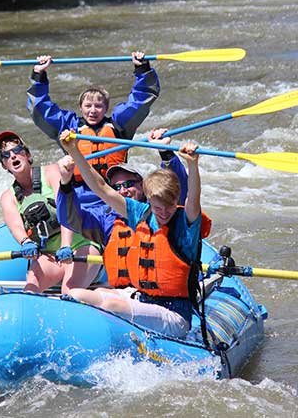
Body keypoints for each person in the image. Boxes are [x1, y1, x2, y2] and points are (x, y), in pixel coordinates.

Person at [57, 128, 209, 338]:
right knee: (75, 294)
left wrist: (193, 164)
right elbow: (101, 187)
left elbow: (193, 198)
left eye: (169, 206)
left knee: (109, 303)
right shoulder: (141, 213)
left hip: (174, 315)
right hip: (142, 299)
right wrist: (73, 150)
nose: (163, 212)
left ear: (176, 201)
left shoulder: (186, 222)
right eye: (158, 207)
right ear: (149, 201)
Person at [26, 51, 160, 198]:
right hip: (82, 195)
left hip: (115, 192)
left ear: (106, 108)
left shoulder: (119, 125)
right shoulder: (70, 127)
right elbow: (41, 110)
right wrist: (39, 75)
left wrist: (142, 69)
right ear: (80, 107)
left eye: (98, 106)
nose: (93, 111)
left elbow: (140, 101)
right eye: (88, 106)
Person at [0, 130, 102, 294]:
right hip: (49, 254)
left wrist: (65, 245)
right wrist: (26, 242)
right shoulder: (7, 197)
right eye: (6, 155)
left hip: (80, 245)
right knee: (30, 290)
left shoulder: (52, 172)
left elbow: (66, 208)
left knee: (69, 291)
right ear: (4, 165)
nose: (13, 156)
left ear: (28, 155)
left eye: (17, 151)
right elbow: (16, 226)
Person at [57, 127, 190, 250]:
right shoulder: (105, 217)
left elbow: (177, 186)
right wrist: (65, 183)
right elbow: (69, 219)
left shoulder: (159, 210)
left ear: (141, 185)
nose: (123, 191)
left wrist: (165, 152)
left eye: (128, 184)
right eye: (116, 187)